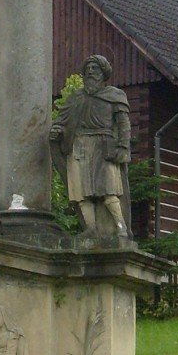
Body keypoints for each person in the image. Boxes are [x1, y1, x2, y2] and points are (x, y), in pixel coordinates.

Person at [50, 55, 131, 240]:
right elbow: (62, 122)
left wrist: (123, 147)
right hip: (79, 147)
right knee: (81, 193)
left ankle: (121, 228)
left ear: (103, 73)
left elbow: (124, 124)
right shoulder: (76, 98)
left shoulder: (115, 96)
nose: (91, 72)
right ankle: (91, 229)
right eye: (88, 69)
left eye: (95, 68)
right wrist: (57, 130)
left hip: (104, 146)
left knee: (109, 190)